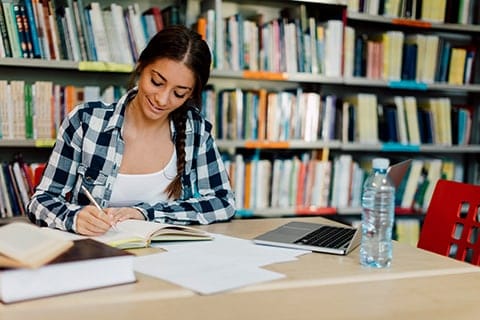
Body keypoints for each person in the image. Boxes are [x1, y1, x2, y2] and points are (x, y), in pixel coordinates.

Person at [27, 25, 236, 236]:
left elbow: (223, 202)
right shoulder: (86, 122)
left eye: (179, 94)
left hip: (168, 261)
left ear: (191, 94)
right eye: (156, 82)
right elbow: (41, 201)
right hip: (96, 256)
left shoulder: (195, 131)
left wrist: (145, 214)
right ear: (141, 66)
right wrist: (73, 218)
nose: (162, 100)